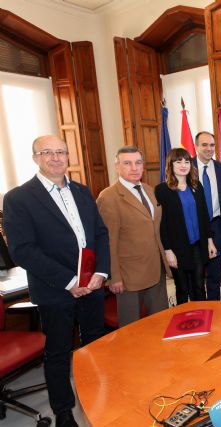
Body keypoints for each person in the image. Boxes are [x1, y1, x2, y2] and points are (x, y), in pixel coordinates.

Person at [4, 135, 109, 427]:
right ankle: (63, 410)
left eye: (61, 152)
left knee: (94, 345)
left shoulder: (82, 191)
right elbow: (23, 250)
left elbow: (99, 233)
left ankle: (97, 395)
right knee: (59, 352)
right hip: (56, 291)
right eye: (47, 152)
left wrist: (101, 272)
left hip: (92, 286)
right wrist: (69, 280)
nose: (55, 157)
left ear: (68, 156)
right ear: (35, 157)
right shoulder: (18, 198)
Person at [97, 145, 169, 327]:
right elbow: (108, 242)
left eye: (138, 163)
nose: (134, 168)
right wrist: (114, 277)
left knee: (160, 324)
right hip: (128, 276)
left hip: (155, 268)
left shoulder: (148, 189)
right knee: (131, 330)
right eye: (127, 163)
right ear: (117, 167)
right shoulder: (108, 197)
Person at [155, 148, 216, 304]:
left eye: (187, 161)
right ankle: (183, 324)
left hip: (197, 245)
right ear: (171, 164)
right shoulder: (162, 190)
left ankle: (202, 318)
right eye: (178, 161)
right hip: (177, 248)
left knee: (199, 287)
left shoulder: (196, 186)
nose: (183, 165)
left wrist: (210, 241)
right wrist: (168, 251)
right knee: (182, 289)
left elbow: (204, 216)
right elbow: (162, 224)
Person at [192, 131, 221, 300]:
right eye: (204, 145)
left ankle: (214, 309)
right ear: (196, 146)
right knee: (197, 274)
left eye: (212, 145)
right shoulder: (186, 166)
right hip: (194, 227)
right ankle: (198, 311)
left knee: (214, 273)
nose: (209, 148)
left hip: (216, 226)